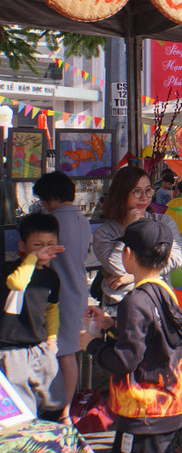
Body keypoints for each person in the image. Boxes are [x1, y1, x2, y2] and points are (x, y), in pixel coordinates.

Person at [80, 218, 182, 453]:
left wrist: (93, 345)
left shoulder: (135, 300)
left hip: (144, 412)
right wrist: (111, 324)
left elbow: (125, 360)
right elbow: (155, 337)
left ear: (127, 253)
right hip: (168, 406)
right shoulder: (163, 291)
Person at [32, 171, 91, 424]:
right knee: (70, 353)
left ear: (52, 198)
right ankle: (66, 408)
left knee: (63, 354)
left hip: (59, 294)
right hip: (78, 289)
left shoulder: (52, 222)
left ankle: (65, 411)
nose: (44, 205)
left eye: (44, 200)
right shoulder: (83, 219)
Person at [92, 166, 182, 314]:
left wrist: (133, 276)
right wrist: (129, 230)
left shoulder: (163, 222)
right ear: (121, 194)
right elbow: (116, 267)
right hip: (118, 310)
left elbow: (176, 258)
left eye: (148, 190)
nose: (144, 197)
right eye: (137, 191)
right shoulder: (104, 233)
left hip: (157, 305)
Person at [0, 213, 64, 418]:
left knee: (53, 401)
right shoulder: (10, 270)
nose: (45, 249)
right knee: (21, 408)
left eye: (50, 244)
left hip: (39, 348)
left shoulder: (52, 277)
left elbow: (52, 309)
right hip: (11, 350)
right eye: (38, 244)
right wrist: (33, 258)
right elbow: (18, 284)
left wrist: (52, 339)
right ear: (22, 245)